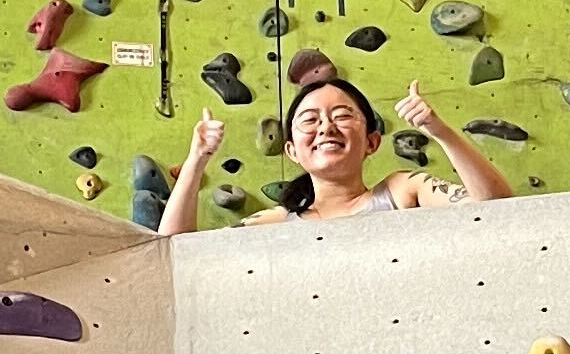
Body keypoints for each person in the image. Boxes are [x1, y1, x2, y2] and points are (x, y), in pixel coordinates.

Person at [159, 69, 512, 235]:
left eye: (342, 116)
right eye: (310, 120)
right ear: (292, 151)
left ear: (372, 142)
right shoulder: (279, 223)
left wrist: (440, 132)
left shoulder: (403, 190)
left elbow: (496, 205)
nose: (326, 127)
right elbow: (177, 251)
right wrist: (196, 161)